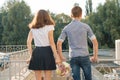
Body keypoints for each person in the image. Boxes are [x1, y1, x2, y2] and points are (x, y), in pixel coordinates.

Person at [57, 6, 98, 80]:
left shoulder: (67, 28)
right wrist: (95, 56)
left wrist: (61, 57)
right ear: (81, 15)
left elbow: (59, 43)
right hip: (85, 56)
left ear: (71, 15)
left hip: (73, 57)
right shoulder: (86, 27)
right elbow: (95, 42)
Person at [27, 9, 61, 80]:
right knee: (47, 77)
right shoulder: (50, 27)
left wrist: (31, 55)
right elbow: (52, 42)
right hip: (47, 52)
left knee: (38, 77)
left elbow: (28, 42)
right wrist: (56, 56)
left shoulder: (33, 28)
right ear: (47, 16)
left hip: (37, 52)